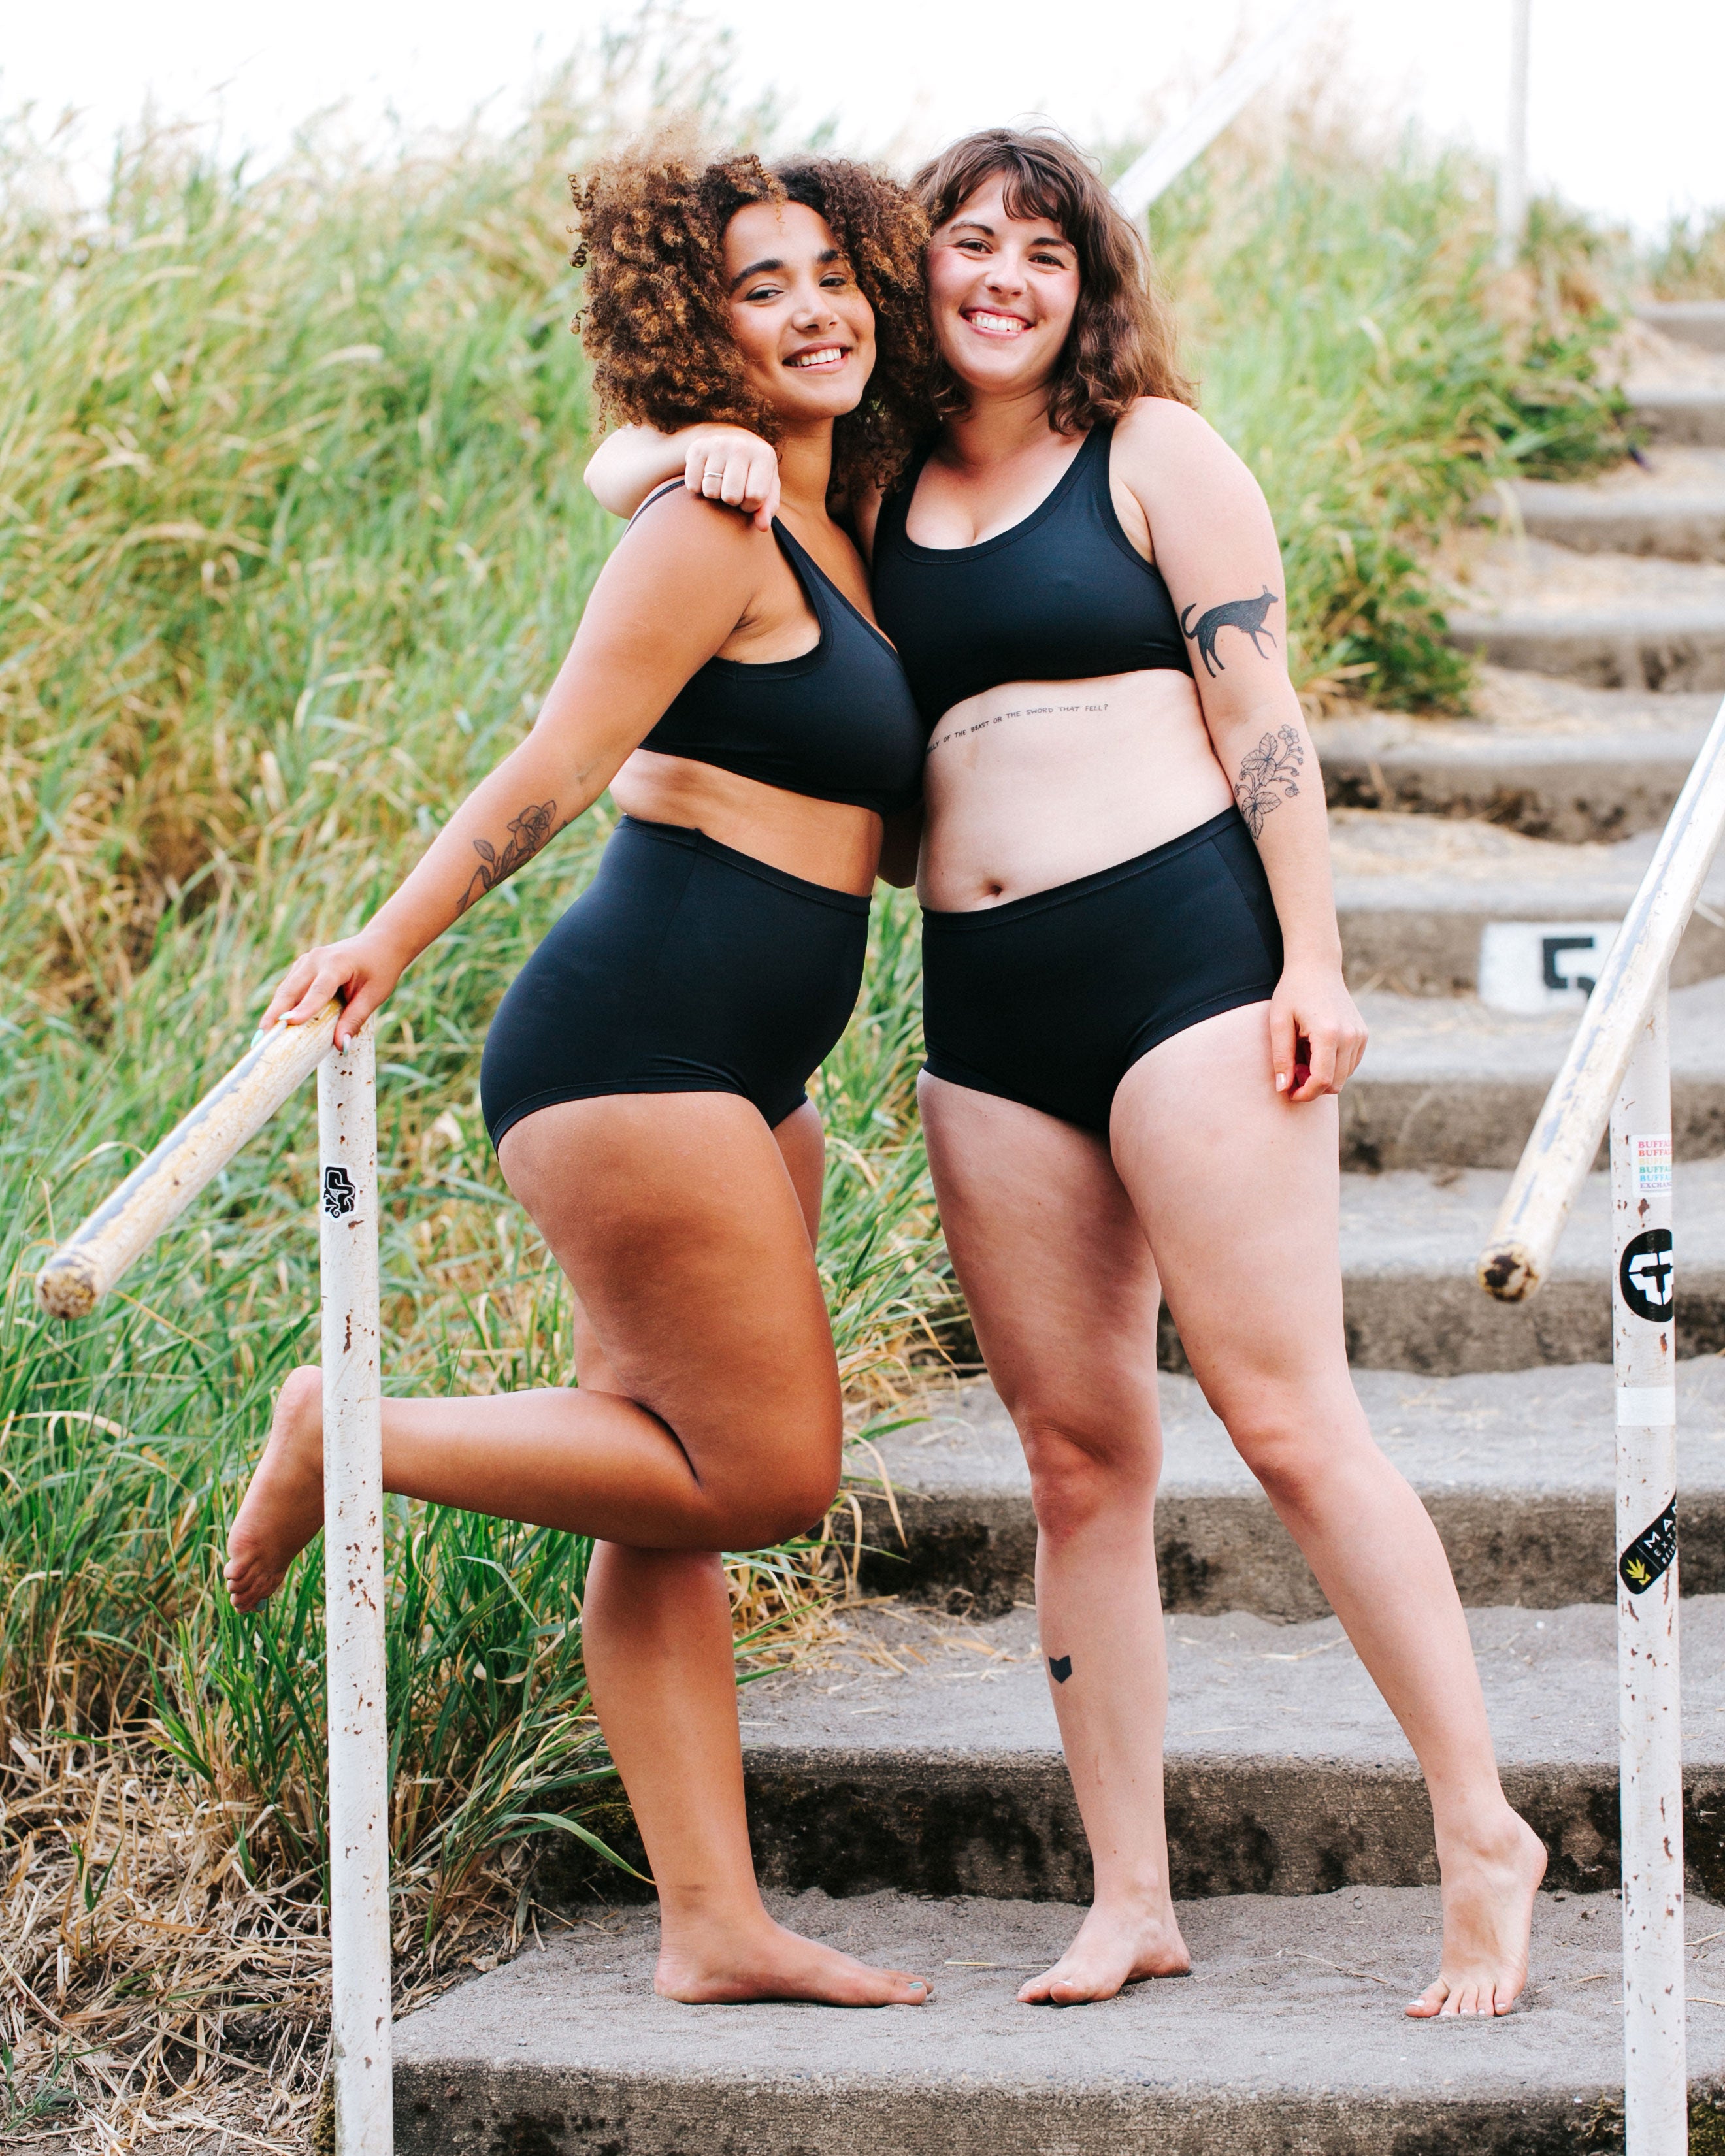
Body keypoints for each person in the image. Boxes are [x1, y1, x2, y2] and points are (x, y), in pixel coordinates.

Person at [586, 125, 1547, 2019]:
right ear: (911, 273)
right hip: (992, 1013)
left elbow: (1257, 709)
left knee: (1286, 1422)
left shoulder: (1156, 453)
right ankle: (1130, 1894)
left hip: (1189, 965)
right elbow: (662, 477)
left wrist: (1319, 961)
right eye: (965, 245)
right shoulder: (872, 475)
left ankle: (1481, 1829)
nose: (1003, 275)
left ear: (1087, 276)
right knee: (1077, 1459)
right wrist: (649, 452)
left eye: (1043, 246)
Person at [223, 143, 937, 2008]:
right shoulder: (709, 525)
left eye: (830, 272)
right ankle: (342, 1425)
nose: (812, 307)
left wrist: (657, 446)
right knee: (766, 1474)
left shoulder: (827, 506)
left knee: (659, 1490)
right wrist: (388, 936)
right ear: (690, 328)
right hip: (636, 1048)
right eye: (758, 287)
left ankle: (712, 1921)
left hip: (739, 1063)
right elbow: (557, 754)